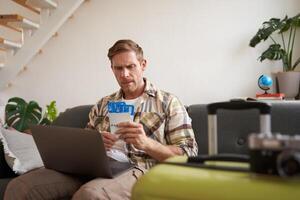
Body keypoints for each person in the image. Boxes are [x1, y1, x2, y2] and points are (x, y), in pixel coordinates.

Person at [4, 39, 198, 200]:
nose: (125, 74)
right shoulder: (103, 104)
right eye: (118, 68)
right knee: (21, 187)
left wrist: (146, 143)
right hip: (95, 167)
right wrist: (95, 143)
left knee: (89, 195)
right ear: (112, 68)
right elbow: (83, 146)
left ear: (143, 65)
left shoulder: (168, 102)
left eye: (131, 67)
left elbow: (188, 154)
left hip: (139, 168)